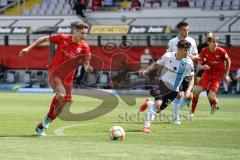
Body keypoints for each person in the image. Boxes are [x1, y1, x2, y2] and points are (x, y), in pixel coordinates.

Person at [19, 22, 93, 136]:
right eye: (82, 33)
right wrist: (28, 48)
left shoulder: (85, 47)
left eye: (85, 33)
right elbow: (44, 38)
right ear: (76, 31)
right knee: (62, 97)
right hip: (55, 74)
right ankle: (46, 121)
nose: (84, 36)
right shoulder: (62, 38)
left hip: (68, 79)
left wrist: (87, 68)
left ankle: (43, 124)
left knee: (62, 104)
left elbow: (86, 63)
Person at [139, 39, 194, 133]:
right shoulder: (168, 56)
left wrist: (188, 90)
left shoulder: (188, 63)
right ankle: (146, 127)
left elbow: (192, 78)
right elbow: (156, 65)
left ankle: (148, 103)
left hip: (174, 90)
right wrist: (145, 72)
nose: (187, 52)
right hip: (162, 83)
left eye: (188, 50)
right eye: (185, 50)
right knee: (158, 104)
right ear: (179, 49)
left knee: (158, 110)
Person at [167, 21, 198, 124]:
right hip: (175, 72)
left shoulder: (192, 41)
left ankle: (175, 110)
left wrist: (194, 57)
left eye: (188, 30)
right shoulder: (172, 42)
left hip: (187, 71)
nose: (187, 32)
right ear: (179, 30)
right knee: (179, 94)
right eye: (184, 30)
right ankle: (176, 118)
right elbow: (168, 56)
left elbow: (196, 56)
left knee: (189, 97)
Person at [191, 35, 231, 115]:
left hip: (218, 75)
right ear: (209, 42)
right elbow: (200, 62)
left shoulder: (222, 51)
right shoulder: (204, 50)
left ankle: (215, 103)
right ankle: (192, 112)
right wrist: (201, 65)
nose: (215, 44)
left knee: (210, 96)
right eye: (213, 42)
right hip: (207, 73)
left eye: (217, 42)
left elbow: (228, 61)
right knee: (196, 92)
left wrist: (226, 75)